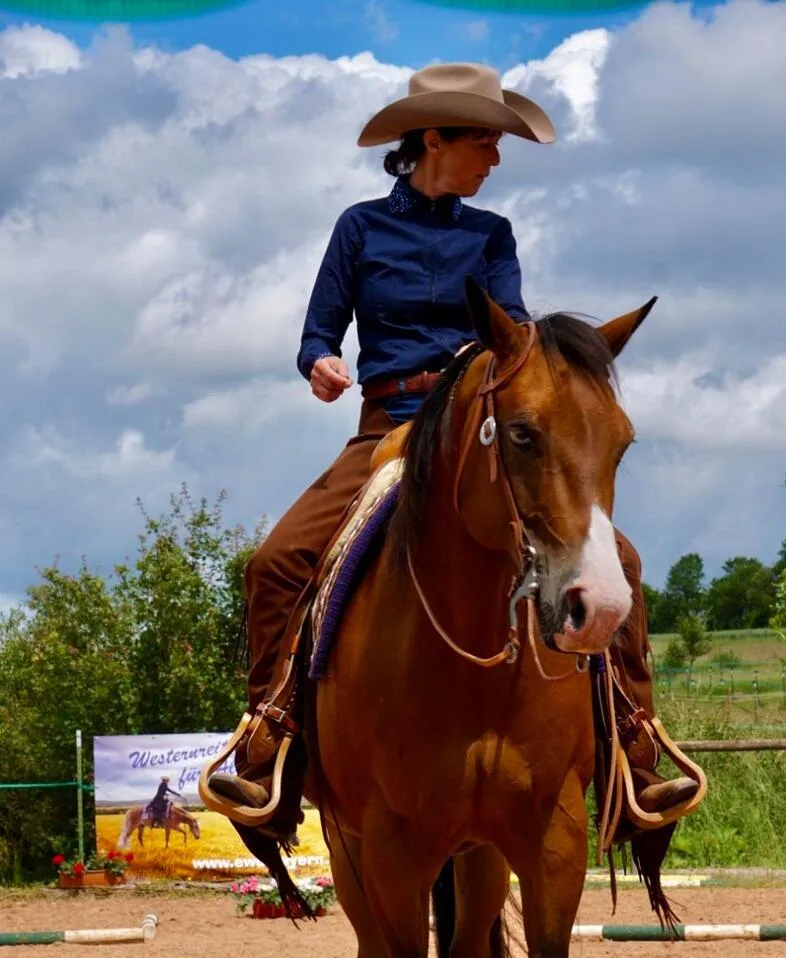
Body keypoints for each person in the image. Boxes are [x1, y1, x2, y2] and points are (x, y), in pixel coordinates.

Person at [207, 62, 699, 843]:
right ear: (431, 140)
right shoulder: (359, 228)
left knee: (624, 565)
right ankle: (270, 737)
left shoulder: (491, 235)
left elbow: (514, 333)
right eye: (483, 142)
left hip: (479, 425)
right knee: (276, 561)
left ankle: (636, 746)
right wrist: (321, 364)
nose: (494, 160)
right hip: (388, 428)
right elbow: (316, 331)